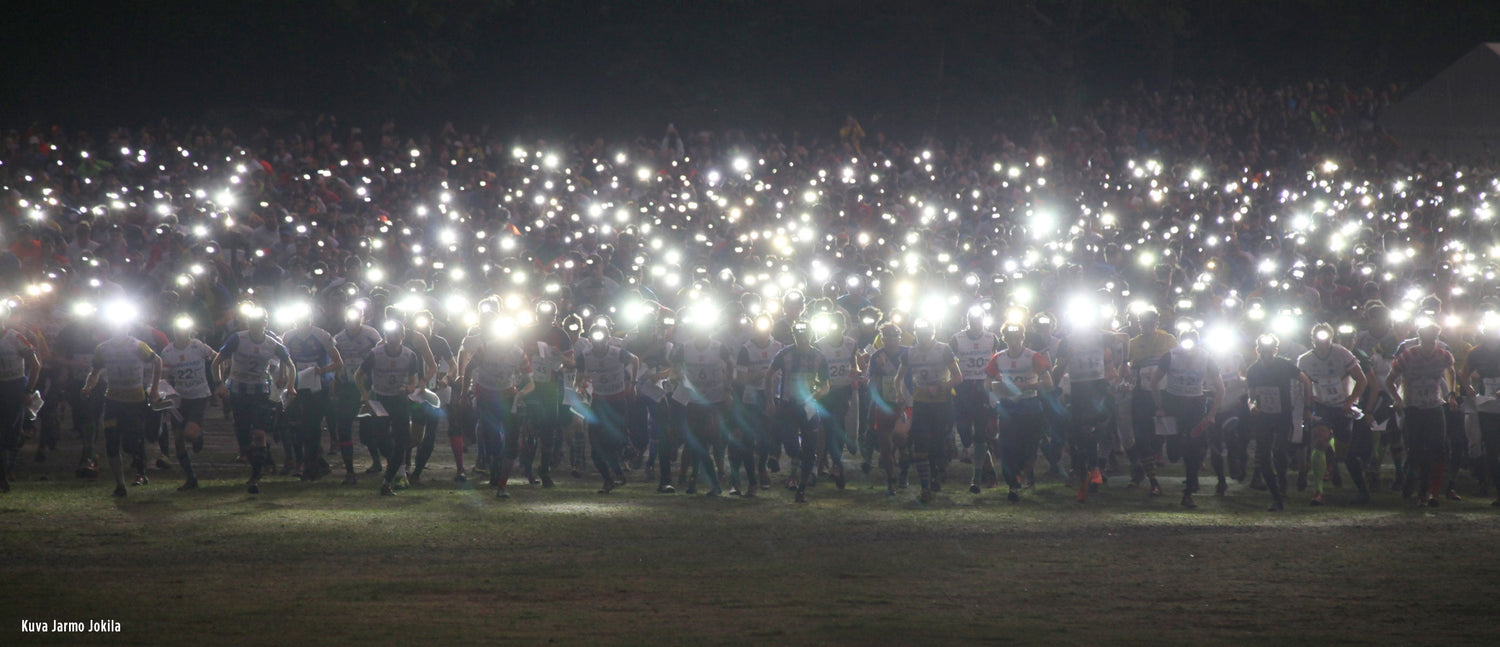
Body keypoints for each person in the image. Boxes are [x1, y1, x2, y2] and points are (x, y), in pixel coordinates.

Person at [213, 304, 295, 494]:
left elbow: (289, 363)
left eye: (259, 322)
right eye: (253, 322)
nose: (256, 326)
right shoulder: (237, 339)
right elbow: (216, 362)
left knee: (259, 433)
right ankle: (256, 458)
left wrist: (290, 384)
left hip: (260, 392)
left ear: (265, 323)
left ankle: (256, 476)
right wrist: (220, 384)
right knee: (244, 436)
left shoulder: (272, 343)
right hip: (239, 391)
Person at [84, 312, 161, 497]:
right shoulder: (103, 348)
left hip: (135, 401)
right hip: (113, 401)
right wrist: (88, 386)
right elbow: (94, 371)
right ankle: (120, 484)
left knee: (130, 443)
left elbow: (157, 361)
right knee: (111, 442)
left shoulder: (138, 346)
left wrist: (154, 389)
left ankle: (141, 471)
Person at [1149, 329, 1225, 509]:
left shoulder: (1206, 357)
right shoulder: (1170, 356)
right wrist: (1159, 406)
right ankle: (1177, 451)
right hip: (1174, 404)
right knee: (1174, 453)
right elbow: (1154, 382)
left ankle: (1189, 491)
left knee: (1194, 449)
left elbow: (1220, 388)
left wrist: (1212, 413)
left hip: (1195, 407)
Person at [1296, 323, 1371, 505]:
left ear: (1332, 339)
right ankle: (1318, 491)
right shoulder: (1304, 360)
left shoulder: (1342, 354)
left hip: (1342, 407)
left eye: (1326, 339)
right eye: (1318, 339)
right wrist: (1306, 405)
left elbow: (1362, 380)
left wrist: (1350, 400)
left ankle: (1362, 488)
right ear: (1312, 339)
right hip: (1321, 406)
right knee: (1320, 440)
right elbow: (1300, 385)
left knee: (1344, 453)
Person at [1385, 321, 1457, 507]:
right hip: (1413, 407)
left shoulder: (1443, 355)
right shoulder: (1408, 356)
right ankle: (1414, 485)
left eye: (1432, 340)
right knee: (1415, 449)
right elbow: (1389, 380)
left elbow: (1451, 371)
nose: (1429, 345)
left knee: (1437, 448)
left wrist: (1451, 394)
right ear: (1420, 340)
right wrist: (1398, 399)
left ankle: (1432, 492)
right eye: (1425, 341)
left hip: (1434, 406)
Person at [985, 322, 1053, 502]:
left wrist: (1026, 386)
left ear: (1022, 337)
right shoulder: (998, 358)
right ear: (1004, 338)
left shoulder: (1033, 356)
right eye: (1009, 337)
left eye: (1016, 337)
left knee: (1028, 445)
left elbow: (1048, 383)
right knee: (1007, 445)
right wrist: (995, 393)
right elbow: (987, 381)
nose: (1013, 341)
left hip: (1030, 406)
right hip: (1008, 407)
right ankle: (1012, 484)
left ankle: (1026, 471)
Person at [356, 320, 425, 497]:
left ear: (402, 336)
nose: (392, 339)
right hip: (380, 399)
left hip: (399, 400)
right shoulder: (375, 354)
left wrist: (409, 389)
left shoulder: (410, 356)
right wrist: (364, 393)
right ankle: (393, 466)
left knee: (402, 441)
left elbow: (413, 380)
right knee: (381, 439)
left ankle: (388, 480)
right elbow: (359, 375)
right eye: (389, 335)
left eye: (396, 335)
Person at [764, 320, 830, 503]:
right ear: (794, 336)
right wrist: (770, 400)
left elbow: (826, 384)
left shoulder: (819, 357)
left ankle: (801, 488)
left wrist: (818, 394)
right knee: (792, 446)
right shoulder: (784, 354)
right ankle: (801, 459)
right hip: (788, 405)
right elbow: (769, 374)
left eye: (805, 335)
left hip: (809, 406)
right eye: (799, 336)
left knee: (810, 446)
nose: (802, 339)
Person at [670, 315, 735, 497]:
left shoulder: (718, 347)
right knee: (698, 443)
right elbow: (673, 362)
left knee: (707, 442)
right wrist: (678, 376)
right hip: (694, 401)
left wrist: (728, 388)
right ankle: (702, 481)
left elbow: (731, 364)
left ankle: (704, 480)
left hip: (715, 401)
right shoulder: (685, 348)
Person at [897, 319, 961, 503]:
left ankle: (938, 470)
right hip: (921, 403)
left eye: (926, 334)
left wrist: (942, 387)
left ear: (933, 333)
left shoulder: (943, 349)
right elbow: (899, 377)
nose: (922, 338)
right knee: (921, 443)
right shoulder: (910, 352)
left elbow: (958, 376)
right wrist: (900, 395)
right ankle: (926, 485)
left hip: (942, 403)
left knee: (939, 443)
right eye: (919, 334)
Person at [279, 301, 343, 482]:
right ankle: (313, 462)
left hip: (318, 388)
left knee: (312, 427)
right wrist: (284, 376)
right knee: (295, 426)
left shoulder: (322, 336)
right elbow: (284, 359)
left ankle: (311, 466)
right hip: (296, 387)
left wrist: (322, 371)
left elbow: (338, 362)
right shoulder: (288, 337)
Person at [1244, 334, 1310, 511]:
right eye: (1262, 351)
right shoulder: (1253, 370)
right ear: (1258, 350)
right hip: (1263, 417)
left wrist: (1306, 405)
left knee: (1279, 450)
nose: (1266, 355)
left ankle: (1282, 480)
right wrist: (1252, 406)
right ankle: (1276, 496)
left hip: (1283, 416)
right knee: (1264, 456)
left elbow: (1305, 380)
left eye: (1269, 351)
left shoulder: (1283, 365)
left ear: (1275, 350)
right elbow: (1250, 397)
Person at [576, 322, 638, 493]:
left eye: (602, 337)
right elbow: (579, 375)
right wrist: (580, 384)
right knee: (595, 446)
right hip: (599, 402)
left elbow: (635, 360)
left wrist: (632, 383)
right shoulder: (584, 356)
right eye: (595, 337)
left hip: (617, 401)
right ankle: (608, 479)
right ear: (589, 339)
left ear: (608, 339)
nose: (598, 341)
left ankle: (625, 452)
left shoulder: (617, 353)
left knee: (612, 442)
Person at [160, 315, 217, 490]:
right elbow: (165, 376)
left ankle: (198, 434)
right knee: (178, 439)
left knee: (189, 434)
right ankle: (190, 477)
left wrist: (218, 379)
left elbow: (216, 357)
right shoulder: (168, 352)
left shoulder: (197, 346)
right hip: (179, 399)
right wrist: (164, 392)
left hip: (198, 396)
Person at [1125, 308, 1176, 494]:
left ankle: (1150, 466)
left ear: (1156, 323)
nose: (1146, 327)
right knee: (1141, 437)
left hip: (1164, 395)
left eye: (1150, 323)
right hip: (1141, 395)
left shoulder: (1168, 339)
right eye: (1143, 324)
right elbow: (1127, 370)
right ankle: (1151, 479)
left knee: (1158, 438)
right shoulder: (1132, 343)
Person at [332, 307, 384, 484]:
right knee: (344, 427)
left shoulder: (372, 335)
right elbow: (334, 357)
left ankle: (377, 461)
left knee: (368, 430)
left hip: (368, 386)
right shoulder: (338, 339)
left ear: (363, 318)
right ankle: (349, 471)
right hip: (347, 387)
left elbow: (381, 352)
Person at [736, 315, 783, 491]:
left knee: (765, 437)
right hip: (751, 397)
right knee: (748, 438)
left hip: (771, 396)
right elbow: (740, 379)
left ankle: (762, 467)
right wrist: (762, 374)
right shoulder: (746, 349)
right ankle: (752, 480)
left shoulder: (778, 347)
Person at [812, 310, 858, 489]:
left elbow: (854, 364)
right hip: (825, 391)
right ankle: (821, 461)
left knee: (837, 425)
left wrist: (856, 372)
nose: (834, 330)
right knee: (822, 426)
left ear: (843, 328)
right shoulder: (820, 345)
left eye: (838, 326)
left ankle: (836, 463)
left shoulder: (850, 344)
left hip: (842, 390)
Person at [0, 303, 42, 493]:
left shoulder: (15, 338)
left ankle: (10, 468)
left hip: (14, 388)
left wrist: (28, 390)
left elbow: (35, 365)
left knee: (12, 431)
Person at [864, 321, 908, 495]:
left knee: (902, 441)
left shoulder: (907, 353)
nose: (891, 341)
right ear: (881, 339)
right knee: (885, 445)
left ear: (899, 337)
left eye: (894, 337)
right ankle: (891, 479)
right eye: (887, 337)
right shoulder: (877, 357)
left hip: (903, 404)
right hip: (884, 404)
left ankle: (904, 472)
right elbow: (872, 381)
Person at [1461, 323, 1500, 507]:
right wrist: (1468, 387)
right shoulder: (1476, 352)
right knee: (1491, 446)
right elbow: (1464, 373)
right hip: (1486, 402)